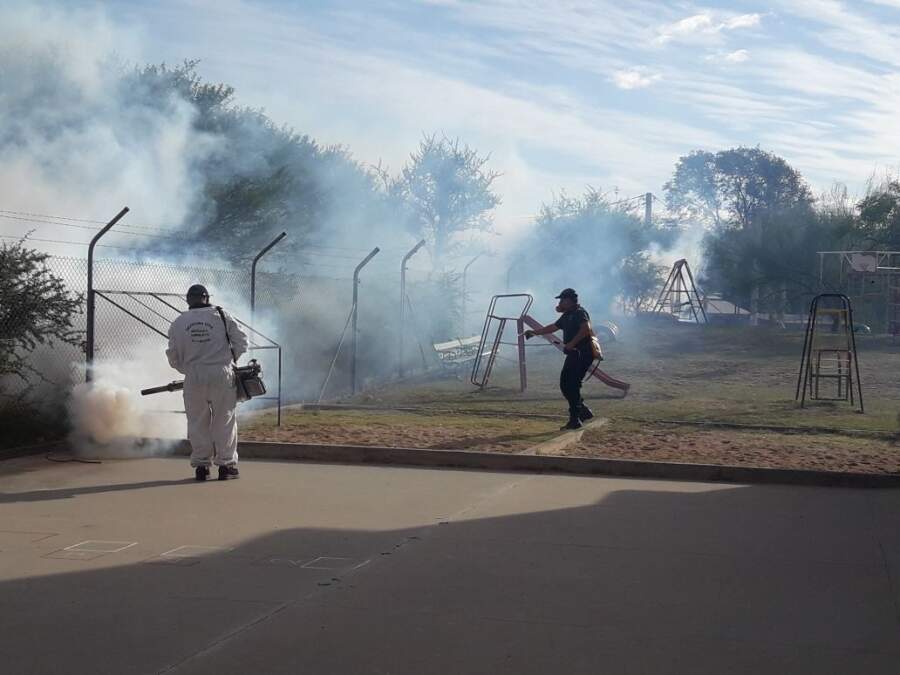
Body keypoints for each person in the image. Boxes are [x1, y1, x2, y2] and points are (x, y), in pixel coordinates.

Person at [166, 284, 248, 481]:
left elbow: (173, 355)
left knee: (197, 421)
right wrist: (229, 362)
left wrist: (189, 370)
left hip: (193, 376)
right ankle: (226, 466)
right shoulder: (221, 315)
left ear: (188, 299)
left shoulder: (179, 322)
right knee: (224, 420)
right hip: (221, 372)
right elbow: (242, 341)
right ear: (207, 297)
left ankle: (202, 467)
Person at [524, 288, 595, 430]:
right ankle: (583, 411)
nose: (560, 302)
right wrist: (535, 332)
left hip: (582, 353)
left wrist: (572, 343)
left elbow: (585, 328)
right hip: (574, 354)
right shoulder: (567, 315)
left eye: (562, 299)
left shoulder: (579, 313)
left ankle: (575, 419)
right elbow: (553, 327)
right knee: (565, 384)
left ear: (569, 300)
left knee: (572, 384)